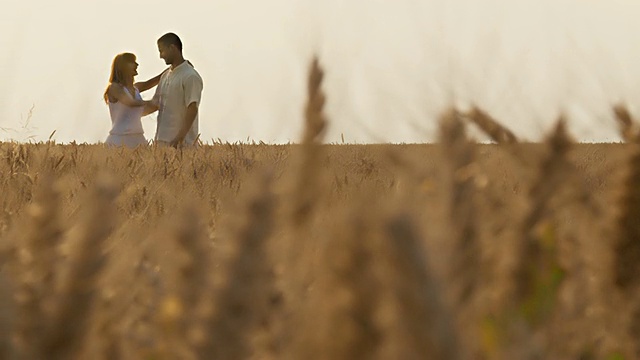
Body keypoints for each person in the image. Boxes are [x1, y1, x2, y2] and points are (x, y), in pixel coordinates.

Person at [148, 33, 204, 147]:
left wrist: (180, 138)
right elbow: (155, 104)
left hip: (182, 145)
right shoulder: (165, 76)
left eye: (162, 51)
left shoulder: (190, 76)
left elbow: (192, 108)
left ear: (172, 48)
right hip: (161, 142)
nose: (160, 56)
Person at [103, 52, 164, 148]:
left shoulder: (135, 89)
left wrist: (173, 69)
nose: (137, 65)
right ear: (122, 67)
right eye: (132, 62)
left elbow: (154, 81)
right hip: (119, 140)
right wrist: (153, 102)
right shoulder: (114, 88)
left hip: (138, 138)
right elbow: (130, 103)